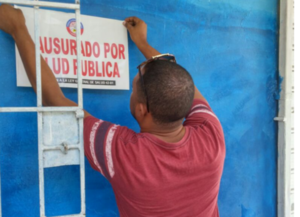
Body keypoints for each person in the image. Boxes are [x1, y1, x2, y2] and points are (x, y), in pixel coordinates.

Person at [0, 4, 225, 217]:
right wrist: (144, 44)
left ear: (140, 109)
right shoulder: (212, 137)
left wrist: (18, 29)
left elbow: (54, 100)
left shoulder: (127, 155)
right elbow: (181, 84)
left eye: (134, 86)